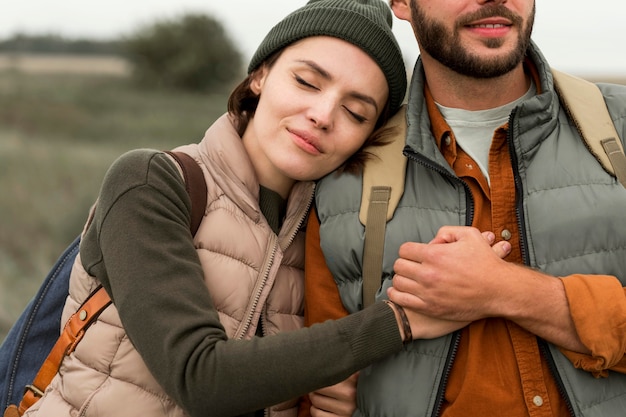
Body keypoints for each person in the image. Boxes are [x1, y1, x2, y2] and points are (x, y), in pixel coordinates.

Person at [14, 1, 416, 417]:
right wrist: (400, 321)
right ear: (259, 76)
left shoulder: (328, 238)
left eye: (355, 112)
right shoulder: (153, 182)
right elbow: (200, 378)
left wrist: (339, 397)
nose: (322, 116)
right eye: (307, 82)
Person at [303, 0, 626, 416]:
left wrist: (507, 291)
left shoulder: (619, 127)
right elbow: (324, 385)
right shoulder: (343, 179)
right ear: (402, 4)